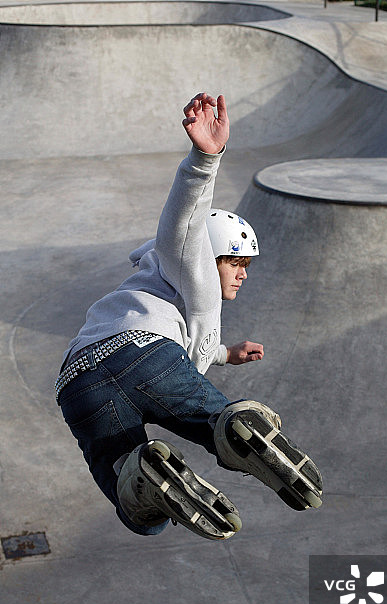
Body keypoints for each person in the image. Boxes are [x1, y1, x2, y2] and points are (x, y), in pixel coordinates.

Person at [55, 92, 322, 541]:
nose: (241, 275)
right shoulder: (189, 265)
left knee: (132, 494)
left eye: (246, 267)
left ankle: (141, 477)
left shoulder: (151, 288)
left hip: (76, 383)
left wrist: (224, 354)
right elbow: (183, 224)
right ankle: (231, 427)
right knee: (212, 421)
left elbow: (186, 342)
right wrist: (205, 158)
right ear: (207, 254)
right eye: (234, 262)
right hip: (147, 356)